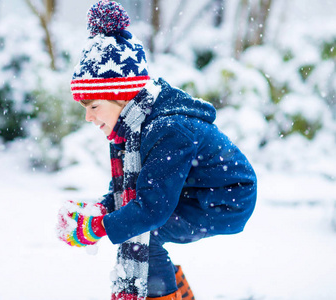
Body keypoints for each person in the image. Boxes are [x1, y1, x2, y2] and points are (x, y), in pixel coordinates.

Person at [57, 1, 257, 300]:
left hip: (226, 197)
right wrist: (99, 209)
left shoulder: (167, 130)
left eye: (94, 106)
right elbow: (130, 189)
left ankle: (163, 294)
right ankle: (174, 293)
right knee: (141, 229)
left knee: (145, 232)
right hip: (195, 190)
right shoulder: (135, 126)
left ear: (121, 96)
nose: (88, 117)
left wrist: (97, 228)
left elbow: (150, 209)